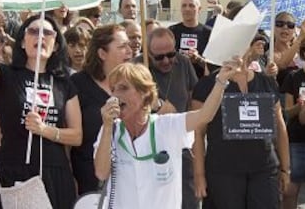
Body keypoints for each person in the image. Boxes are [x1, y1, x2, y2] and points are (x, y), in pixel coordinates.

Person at [0, 0, 82, 209]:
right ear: (23, 41)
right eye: (33, 31)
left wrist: (45, 130)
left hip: (55, 174)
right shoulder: (6, 74)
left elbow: (77, 135)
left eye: (48, 32)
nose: (41, 36)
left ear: (55, 45)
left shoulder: (64, 83)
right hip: (14, 172)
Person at [94, 59, 242, 209]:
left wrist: (221, 81)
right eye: (113, 89)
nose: (116, 95)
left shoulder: (167, 126)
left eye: (123, 88)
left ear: (144, 92)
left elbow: (205, 115)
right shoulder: (110, 131)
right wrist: (107, 126)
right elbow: (101, 173)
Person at [192, 54, 290, 209]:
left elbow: (279, 125)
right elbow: (197, 132)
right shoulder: (206, 85)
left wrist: (285, 168)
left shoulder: (266, 82)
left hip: (264, 170)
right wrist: (199, 175)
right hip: (223, 173)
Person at [70, 24, 133, 195]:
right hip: (89, 181)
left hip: (129, 180)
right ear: (102, 53)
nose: (129, 51)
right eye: (122, 46)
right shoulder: (77, 84)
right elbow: (68, 141)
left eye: (129, 45)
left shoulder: (135, 83)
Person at [146, 27, 199, 209]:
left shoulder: (183, 63)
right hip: (152, 146)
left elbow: (194, 99)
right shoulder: (139, 66)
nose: (166, 60)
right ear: (148, 53)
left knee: (187, 201)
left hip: (182, 145)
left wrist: (194, 137)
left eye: (170, 54)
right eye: (159, 57)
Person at [282, 42, 305, 209]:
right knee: (290, 191)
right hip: (297, 140)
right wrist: (300, 107)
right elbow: (286, 113)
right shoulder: (293, 77)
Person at [169, 0, 212, 78]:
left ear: (199, 9)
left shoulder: (208, 32)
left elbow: (214, 66)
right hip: (177, 80)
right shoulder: (171, 31)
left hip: (201, 82)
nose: (187, 9)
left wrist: (199, 59)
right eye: (184, 6)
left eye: (191, 6)